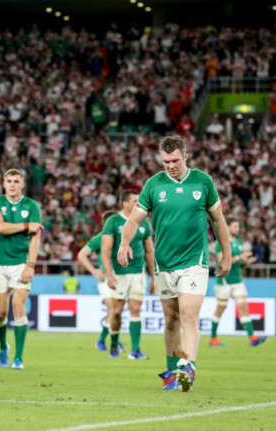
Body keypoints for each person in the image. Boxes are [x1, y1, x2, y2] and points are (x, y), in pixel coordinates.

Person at [117, 135, 231, 392]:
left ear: (185, 157)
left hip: (194, 260)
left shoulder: (203, 181)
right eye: (166, 161)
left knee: (189, 313)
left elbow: (218, 219)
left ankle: (187, 366)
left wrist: (226, 254)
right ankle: (172, 372)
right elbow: (134, 220)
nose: (171, 165)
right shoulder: (153, 185)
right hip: (164, 263)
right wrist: (124, 243)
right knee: (171, 320)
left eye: (175, 160)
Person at [0, 169, 42, 370]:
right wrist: (26, 225)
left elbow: (36, 237)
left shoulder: (31, 205)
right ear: (3, 183)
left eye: (16, 181)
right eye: (8, 181)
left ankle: (18, 358)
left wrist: (31, 265)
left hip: (22, 263)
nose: (12, 184)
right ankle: (3, 347)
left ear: (22, 184)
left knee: (18, 308)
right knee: (1, 313)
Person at [101, 191, 155, 360]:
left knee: (135, 309)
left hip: (139, 272)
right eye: (135, 201)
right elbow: (105, 250)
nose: (138, 203)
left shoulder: (144, 223)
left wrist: (154, 276)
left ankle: (136, 350)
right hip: (119, 274)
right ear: (125, 203)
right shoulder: (113, 221)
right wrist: (109, 275)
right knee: (116, 311)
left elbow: (149, 250)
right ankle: (114, 344)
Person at [209, 218, 267, 347]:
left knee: (243, 308)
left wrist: (246, 262)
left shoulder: (239, 242)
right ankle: (213, 338)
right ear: (228, 227)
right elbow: (221, 261)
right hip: (224, 281)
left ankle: (252, 337)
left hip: (237, 280)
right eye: (235, 226)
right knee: (220, 309)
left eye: (238, 226)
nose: (238, 229)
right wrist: (239, 257)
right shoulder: (221, 243)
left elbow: (239, 263)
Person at [77, 212, 124, 354]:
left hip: (121, 278)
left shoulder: (124, 237)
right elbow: (81, 254)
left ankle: (108, 339)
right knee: (113, 309)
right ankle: (104, 340)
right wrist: (94, 271)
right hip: (105, 279)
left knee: (117, 312)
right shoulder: (100, 238)